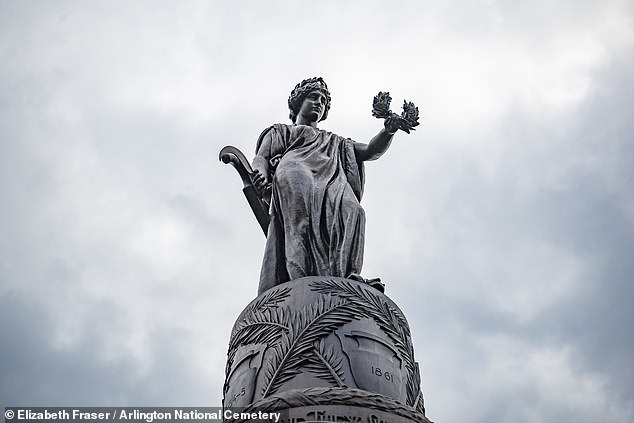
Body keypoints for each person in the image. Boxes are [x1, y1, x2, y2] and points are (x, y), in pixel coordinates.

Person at [252, 77, 400, 295]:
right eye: (313, 97)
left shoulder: (335, 142)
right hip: (295, 168)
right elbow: (261, 157)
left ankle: (345, 277)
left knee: (354, 211)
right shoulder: (281, 131)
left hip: (330, 177)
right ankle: (302, 284)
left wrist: (388, 131)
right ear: (298, 103)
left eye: (323, 100)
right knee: (299, 223)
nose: (318, 103)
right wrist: (260, 175)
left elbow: (369, 151)